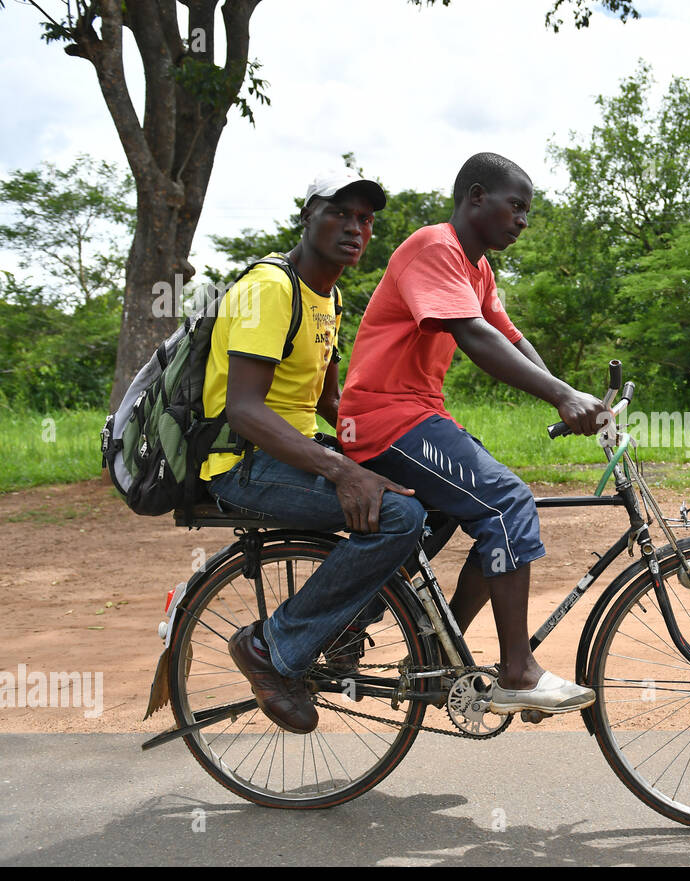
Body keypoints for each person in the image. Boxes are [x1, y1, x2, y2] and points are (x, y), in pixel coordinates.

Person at [337, 152, 605, 716]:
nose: (523, 221)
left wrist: (576, 394)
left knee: (487, 512)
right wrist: (561, 397)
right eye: (516, 207)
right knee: (508, 503)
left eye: (527, 212)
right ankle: (517, 671)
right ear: (476, 196)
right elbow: (475, 338)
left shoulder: (476, 268)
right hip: (385, 419)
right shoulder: (435, 247)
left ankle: (439, 648)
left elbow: (509, 338)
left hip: (414, 417)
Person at [202, 171, 427, 734]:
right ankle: (270, 648)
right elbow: (245, 409)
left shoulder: (329, 296)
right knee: (400, 515)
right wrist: (343, 472)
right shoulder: (269, 289)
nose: (355, 228)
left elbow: (329, 401)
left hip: (297, 449)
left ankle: (342, 627)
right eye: (340, 214)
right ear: (307, 217)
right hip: (242, 461)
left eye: (365, 220)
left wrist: (403, 446)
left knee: (434, 493)